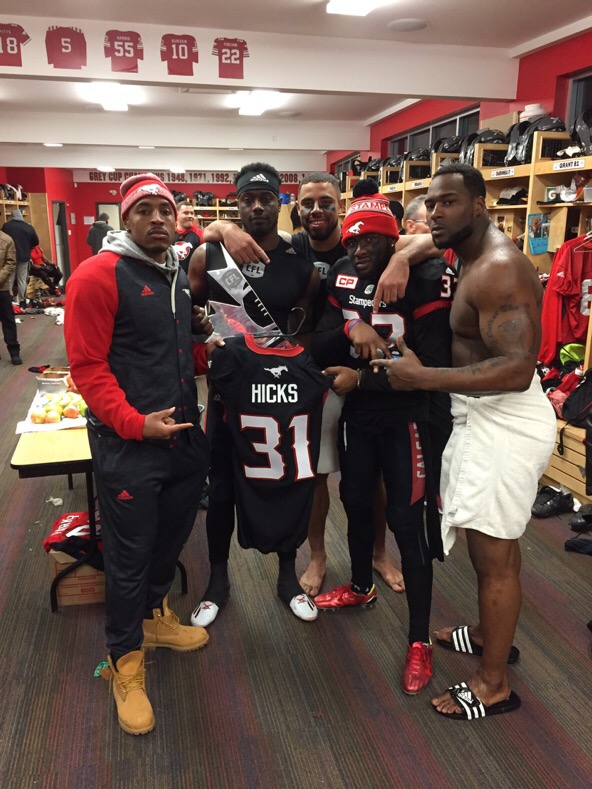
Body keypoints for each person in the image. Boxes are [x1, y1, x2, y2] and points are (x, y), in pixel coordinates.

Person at [371, 163, 556, 719]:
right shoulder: (463, 246)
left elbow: (518, 369)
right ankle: (486, 633)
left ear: (480, 205)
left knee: (492, 555)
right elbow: (424, 239)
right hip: (478, 414)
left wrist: (422, 376)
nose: (435, 213)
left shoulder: (498, 269)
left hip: (505, 418)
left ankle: (493, 683)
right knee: (489, 544)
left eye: (448, 203)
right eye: (431, 203)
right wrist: (404, 255)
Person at [204, 171, 406, 597]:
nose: (318, 211)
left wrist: (405, 254)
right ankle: (316, 556)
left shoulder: (373, 247)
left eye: (327, 203)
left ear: (342, 207)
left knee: (373, 480)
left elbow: (417, 241)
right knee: (309, 474)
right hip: (315, 378)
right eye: (309, 203)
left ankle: (378, 553)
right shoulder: (292, 249)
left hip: (368, 382)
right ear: (296, 208)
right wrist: (223, 226)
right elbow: (302, 326)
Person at [64, 173, 213, 736]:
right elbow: (88, 368)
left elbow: (165, 352)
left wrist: (208, 354)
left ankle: (152, 618)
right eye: (143, 210)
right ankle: (124, 661)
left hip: (180, 438)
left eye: (165, 210)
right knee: (128, 558)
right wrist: (132, 423)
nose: (156, 219)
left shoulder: (173, 272)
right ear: (124, 219)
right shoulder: (97, 276)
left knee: (171, 540)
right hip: (128, 445)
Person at [311, 181, 452, 695]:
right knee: (354, 501)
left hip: (407, 418)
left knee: (406, 524)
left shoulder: (426, 276)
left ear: (394, 240)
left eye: (371, 239)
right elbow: (323, 333)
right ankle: (363, 586)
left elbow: (433, 367)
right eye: (352, 241)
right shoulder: (343, 272)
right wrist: (351, 332)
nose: (359, 249)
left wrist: (362, 377)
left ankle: (419, 639)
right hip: (359, 417)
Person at [188, 161, 320, 626]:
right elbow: (188, 317)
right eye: (249, 199)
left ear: (281, 203)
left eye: (268, 198)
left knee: (286, 482)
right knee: (221, 486)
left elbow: (303, 335)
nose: (259, 207)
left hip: (282, 398)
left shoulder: (302, 266)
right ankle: (218, 581)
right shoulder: (209, 256)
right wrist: (205, 336)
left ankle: (288, 576)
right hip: (229, 393)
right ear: (237, 202)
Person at [1, 208, 39, 308]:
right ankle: (22, 301)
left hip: (9, 257)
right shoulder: (28, 227)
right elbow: (36, 242)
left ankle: (9, 300)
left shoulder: (6, 226)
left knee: (9, 279)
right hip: (24, 257)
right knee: (22, 279)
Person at [0, 229, 21, 364]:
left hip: (2, 287)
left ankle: (14, 352)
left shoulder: (7, 240)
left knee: (8, 320)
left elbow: (10, 263)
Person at [174, 201, 204, 274]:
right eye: (186, 213)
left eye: (192, 213)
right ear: (176, 214)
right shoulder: (169, 233)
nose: (190, 216)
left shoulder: (201, 234)